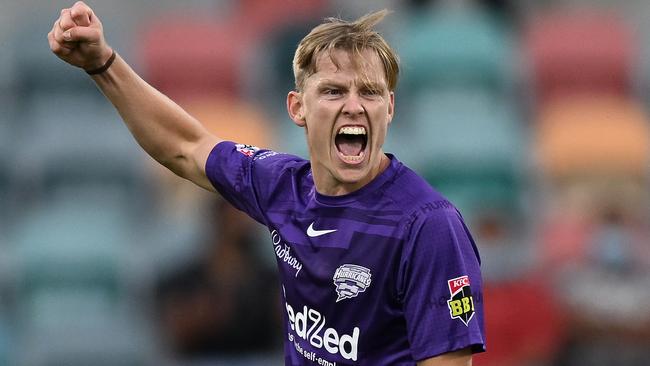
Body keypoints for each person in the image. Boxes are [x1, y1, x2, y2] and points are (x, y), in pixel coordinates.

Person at [48, 2, 486, 365]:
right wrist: (103, 64)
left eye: (369, 92)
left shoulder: (428, 227)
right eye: (334, 91)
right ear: (297, 107)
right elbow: (184, 146)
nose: (354, 106)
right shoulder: (283, 187)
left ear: (389, 107)